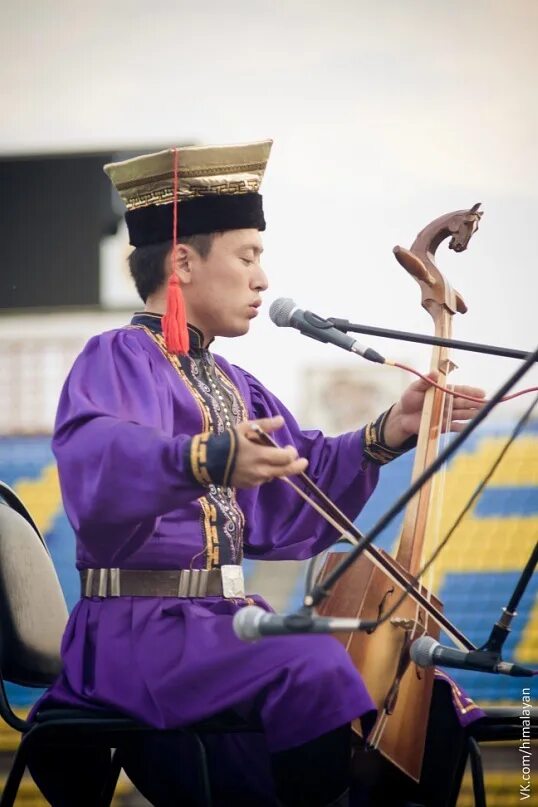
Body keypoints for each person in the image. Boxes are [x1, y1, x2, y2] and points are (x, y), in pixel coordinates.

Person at [29, 140, 485, 807]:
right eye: (248, 256)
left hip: (221, 626)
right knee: (315, 667)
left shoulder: (233, 382)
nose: (263, 279)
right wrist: (208, 458)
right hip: (140, 635)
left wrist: (390, 430)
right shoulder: (117, 357)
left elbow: (299, 487)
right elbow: (99, 459)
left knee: (427, 689)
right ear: (182, 262)